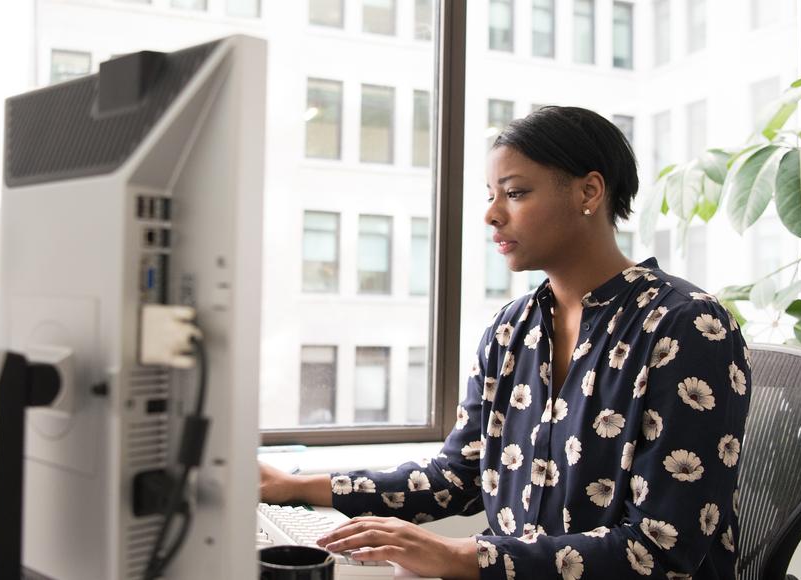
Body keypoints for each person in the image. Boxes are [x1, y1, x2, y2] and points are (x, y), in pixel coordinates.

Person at [260, 106, 751, 580]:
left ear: (589, 191)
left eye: (514, 193)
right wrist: (293, 487)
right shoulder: (512, 328)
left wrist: (459, 556)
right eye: (490, 195)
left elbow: (659, 549)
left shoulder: (687, 326)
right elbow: (456, 477)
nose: (491, 215)